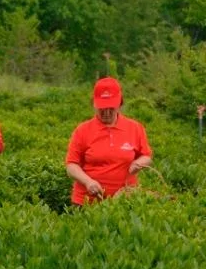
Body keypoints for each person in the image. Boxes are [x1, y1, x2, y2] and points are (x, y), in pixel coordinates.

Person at [64, 77, 153, 205]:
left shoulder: (135, 128)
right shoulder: (82, 130)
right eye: (102, 108)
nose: (106, 112)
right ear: (94, 104)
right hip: (87, 201)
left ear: (120, 104)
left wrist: (139, 163)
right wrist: (88, 182)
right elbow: (71, 165)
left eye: (111, 108)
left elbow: (147, 156)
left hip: (125, 199)